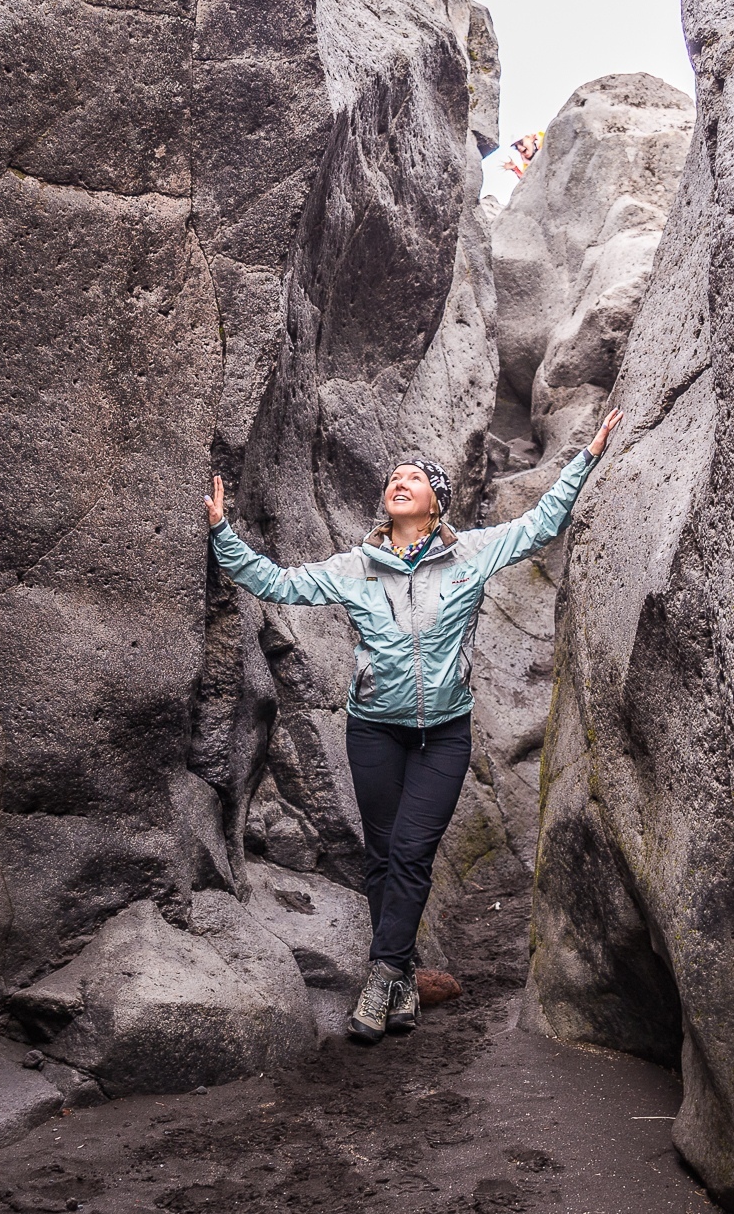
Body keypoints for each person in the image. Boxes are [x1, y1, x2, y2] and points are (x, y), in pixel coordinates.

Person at [203, 405, 624, 1042]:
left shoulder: (472, 555)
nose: (399, 481)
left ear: (436, 505)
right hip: (373, 729)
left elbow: (541, 524)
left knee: (411, 851)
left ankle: (382, 978)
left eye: (415, 478)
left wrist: (584, 459)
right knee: (382, 856)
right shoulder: (355, 566)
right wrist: (220, 532)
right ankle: (400, 977)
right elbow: (276, 583)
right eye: (393, 477)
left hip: (444, 734)